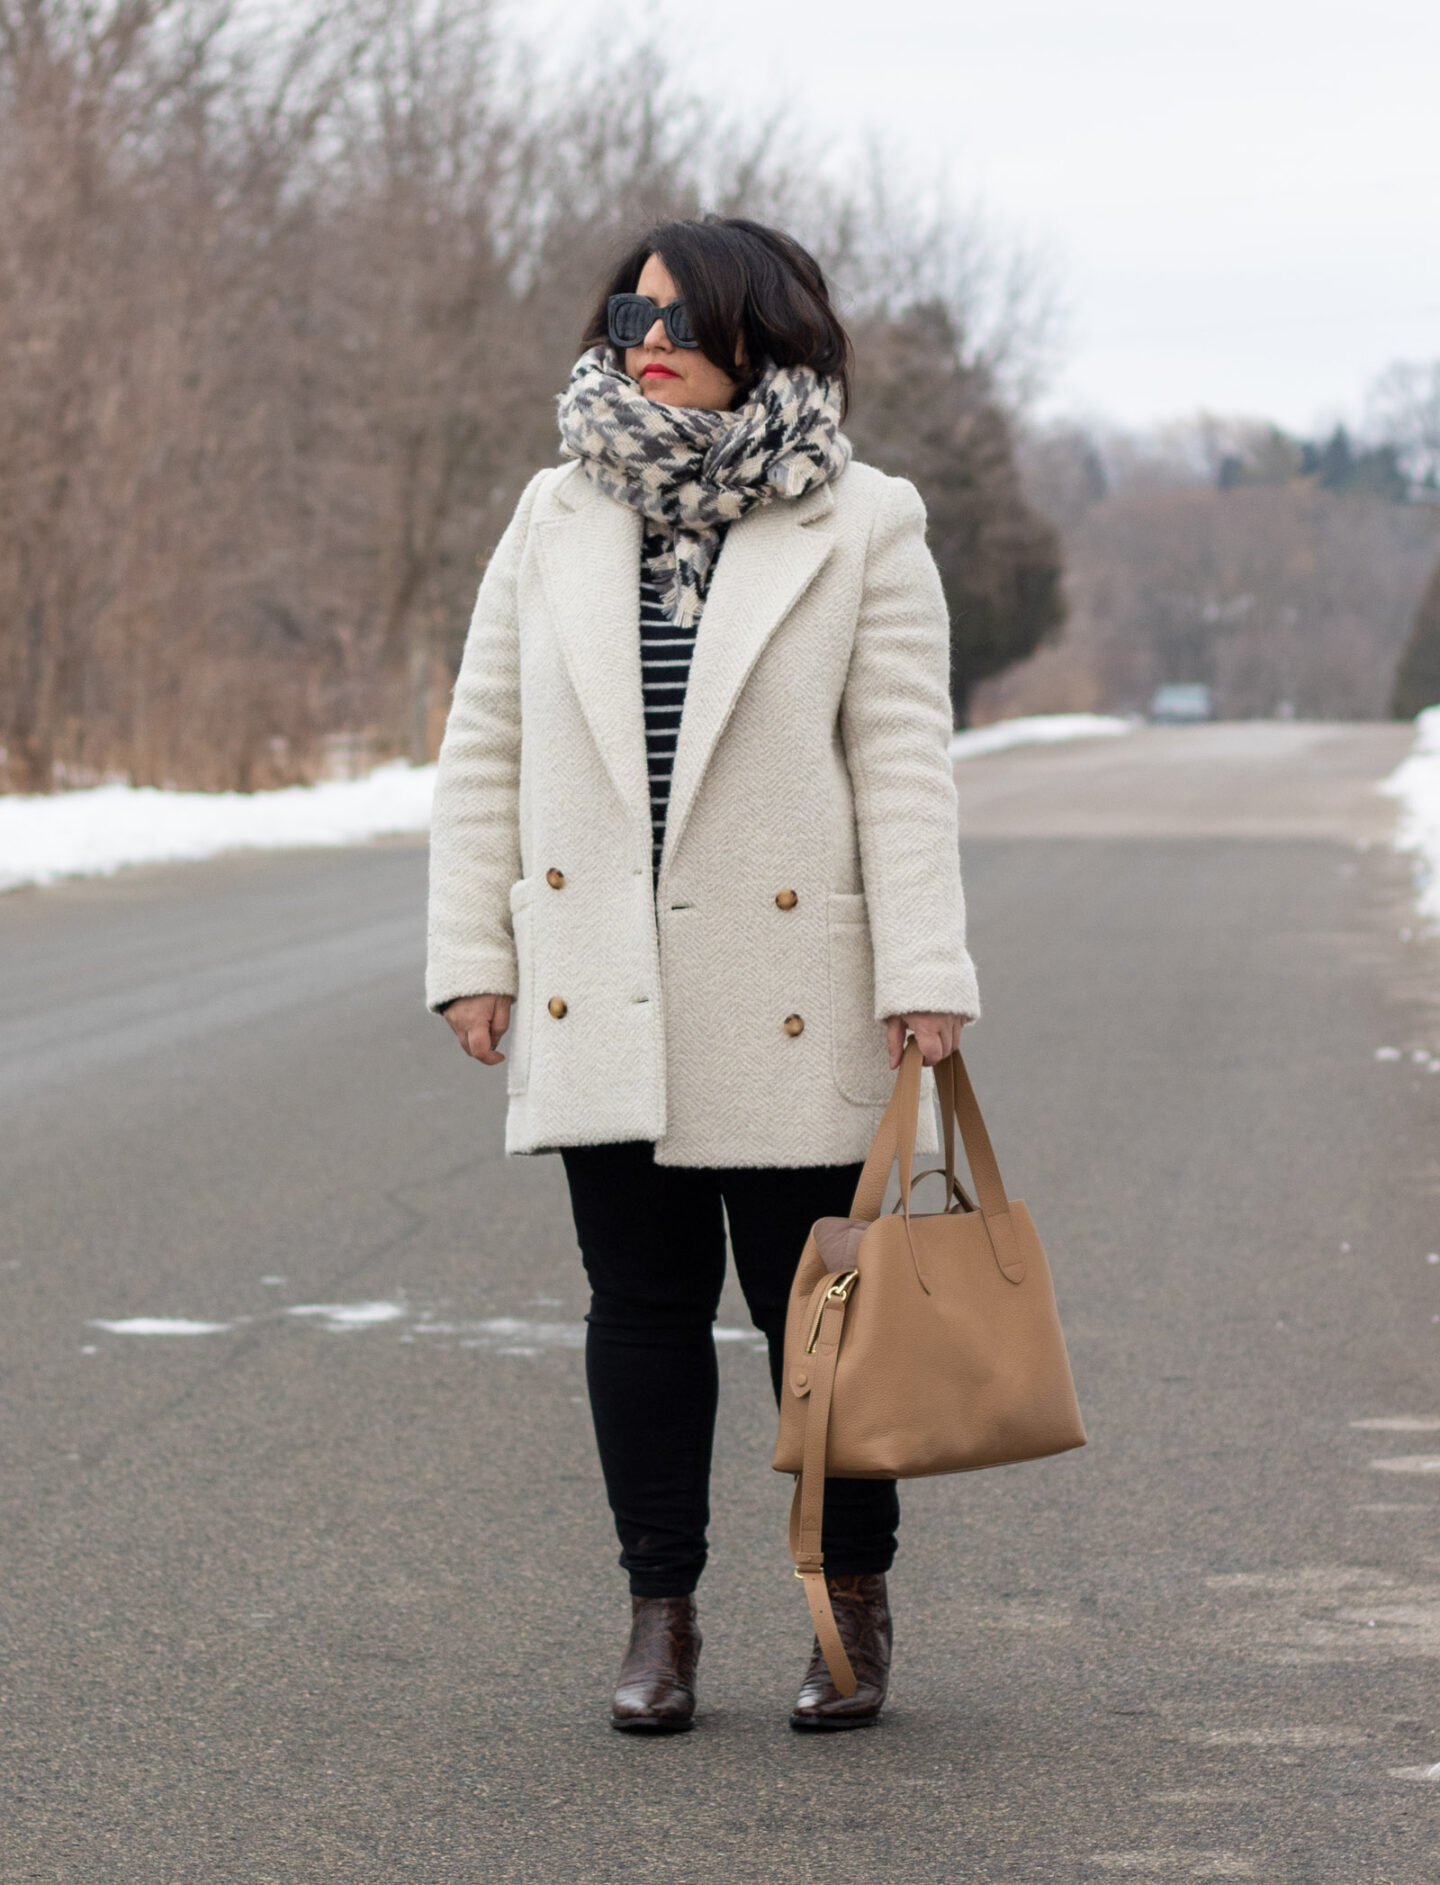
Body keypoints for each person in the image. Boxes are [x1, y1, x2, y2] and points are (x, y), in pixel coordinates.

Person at [426, 216, 980, 1733]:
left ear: (761, 332)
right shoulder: (557, 511)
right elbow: (486, 745)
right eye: (627, 312)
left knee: (820, 1325)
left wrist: (926, 969)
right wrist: (472, 951)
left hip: (793, 979)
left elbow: (903, 767)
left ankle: (844, 1600)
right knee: (641, 1307)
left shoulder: (865, 521)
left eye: (674, 315)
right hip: (601, 976)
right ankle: (658, 1617)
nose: (640, 336)